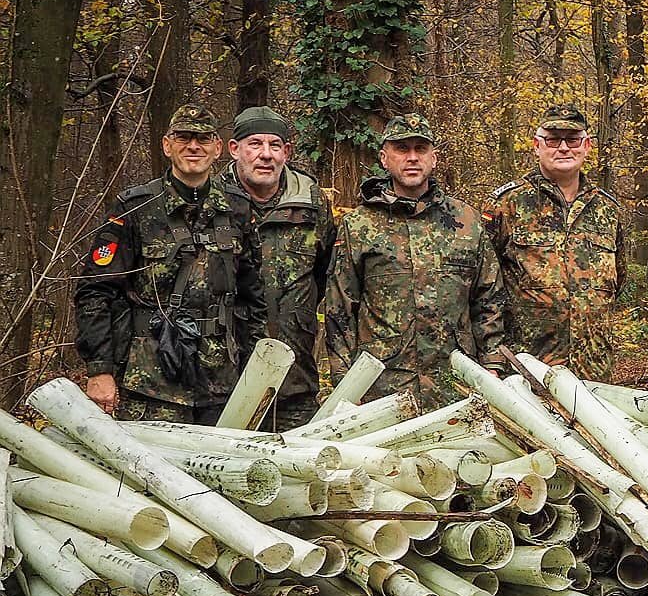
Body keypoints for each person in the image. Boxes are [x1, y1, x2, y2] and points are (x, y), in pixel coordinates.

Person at [75, 103, 265, 423]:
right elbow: (95, 291)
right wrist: (100, 370)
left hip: (220, 379)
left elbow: (252, 297)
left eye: (203, 139)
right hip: (149, 379)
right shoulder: (136, 207)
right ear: (167, 145)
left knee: (217, 467)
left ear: (217, 148)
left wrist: (256, 370)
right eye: (183, 137)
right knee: (147, 471)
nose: (193, 146)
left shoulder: (237, 207)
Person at [323, 113, 505, 409]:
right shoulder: (359, 226)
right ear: (384, 158)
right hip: (383, 389)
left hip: (455, 384)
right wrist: (344, 384)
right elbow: (339, 308)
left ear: (433, 158)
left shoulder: (466, 222)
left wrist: (493, 365)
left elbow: (489, 299)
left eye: (420, 149)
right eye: (401, 149)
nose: (412, 158)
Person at [486, 104, 625, 381]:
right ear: (537, 146)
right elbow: (483, 288)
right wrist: (492, 357)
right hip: (528, 369)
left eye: (572, 140)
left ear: (586, 146)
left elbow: (617, 282)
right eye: (553, 139)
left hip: (594, 371)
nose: (563, 148)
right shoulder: (506, 205)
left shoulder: (607, 209)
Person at [221, 105, 334, 428]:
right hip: (225, 380)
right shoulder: (212, 203)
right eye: (255, 144)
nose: (265, 155)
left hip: (293, 379)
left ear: (286, 152)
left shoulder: (310, 202)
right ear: (235, 150)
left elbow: (323, 276)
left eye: (274, 146)